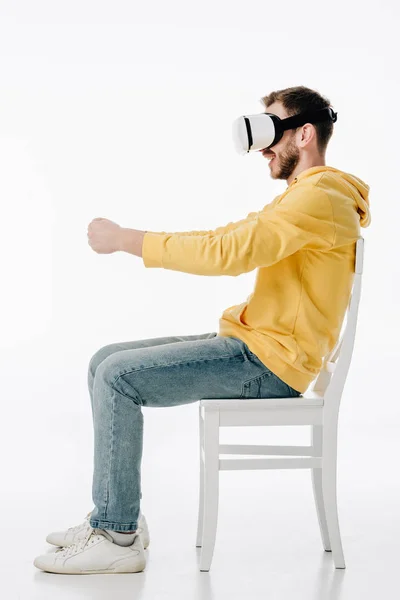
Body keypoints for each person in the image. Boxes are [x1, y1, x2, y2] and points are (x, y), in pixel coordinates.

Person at [33, 85, 371, 574]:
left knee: (116, 377)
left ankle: (117, 538)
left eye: (271, 132)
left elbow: (228, 255)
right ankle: (115, 513)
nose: (263, 149)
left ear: (304, 133)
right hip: (254, 346)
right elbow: (226, 238)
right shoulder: (306, 197)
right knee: (103, 359)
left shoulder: (318, 198)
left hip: (268, 364)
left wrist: (129, 240)